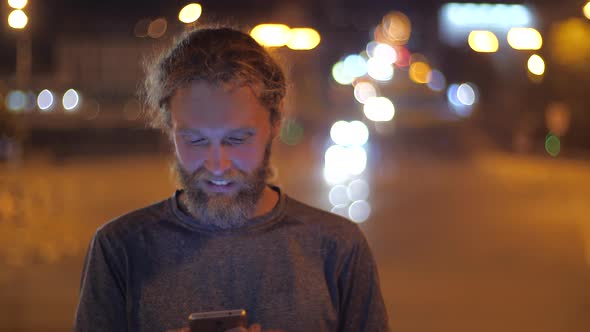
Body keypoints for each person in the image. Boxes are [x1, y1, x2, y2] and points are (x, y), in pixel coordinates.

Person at [73, 26, 389, 332]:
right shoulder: (120, 249)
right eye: (195, 140)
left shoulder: (338, 248)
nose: (217, 164)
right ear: (169, 129)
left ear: (275, 123)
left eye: (237, 139)